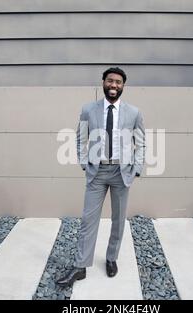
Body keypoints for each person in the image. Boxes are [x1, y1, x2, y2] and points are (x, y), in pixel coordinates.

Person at [56, 67, 146, 287]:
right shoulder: (89, 110)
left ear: (123, 86)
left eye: (118, 82)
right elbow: (80, 139)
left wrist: (136, 168)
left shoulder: (133, 112)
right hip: (96, 172)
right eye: (110, 81)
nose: (113, 85)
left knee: (118, 220)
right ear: (103, 83)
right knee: (88, 220)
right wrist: (84, 163)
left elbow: (140, 142)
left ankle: (111, 258)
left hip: (121, 173)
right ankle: (80, 266)